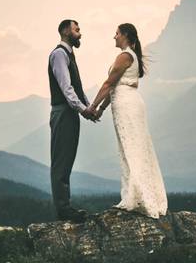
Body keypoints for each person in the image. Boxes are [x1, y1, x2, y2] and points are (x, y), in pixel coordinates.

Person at [85, 23, 167, 218]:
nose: (114, 37)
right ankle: (135, 194)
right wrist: (103, 108)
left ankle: (137, 197)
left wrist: (93, 106)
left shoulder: (124, 56)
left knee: (132, 147)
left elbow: (109, 83)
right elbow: (114, 87)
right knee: (130, 147)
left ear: (125, 36)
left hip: (127, 104)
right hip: (126, 102)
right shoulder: (131, 56)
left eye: (116, 34)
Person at [48, 19, 99, 221]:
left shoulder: (69, 55)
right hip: (63, 112)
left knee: (67, 159)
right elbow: (66, 88)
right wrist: (84, 110)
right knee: (61, 161)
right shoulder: (59, 54)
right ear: (65, 31)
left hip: (70, 113)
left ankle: (65, 206)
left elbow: (77, 88)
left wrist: (89, 108)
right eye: (77, 29)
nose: (80, 33)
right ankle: (63, 209)